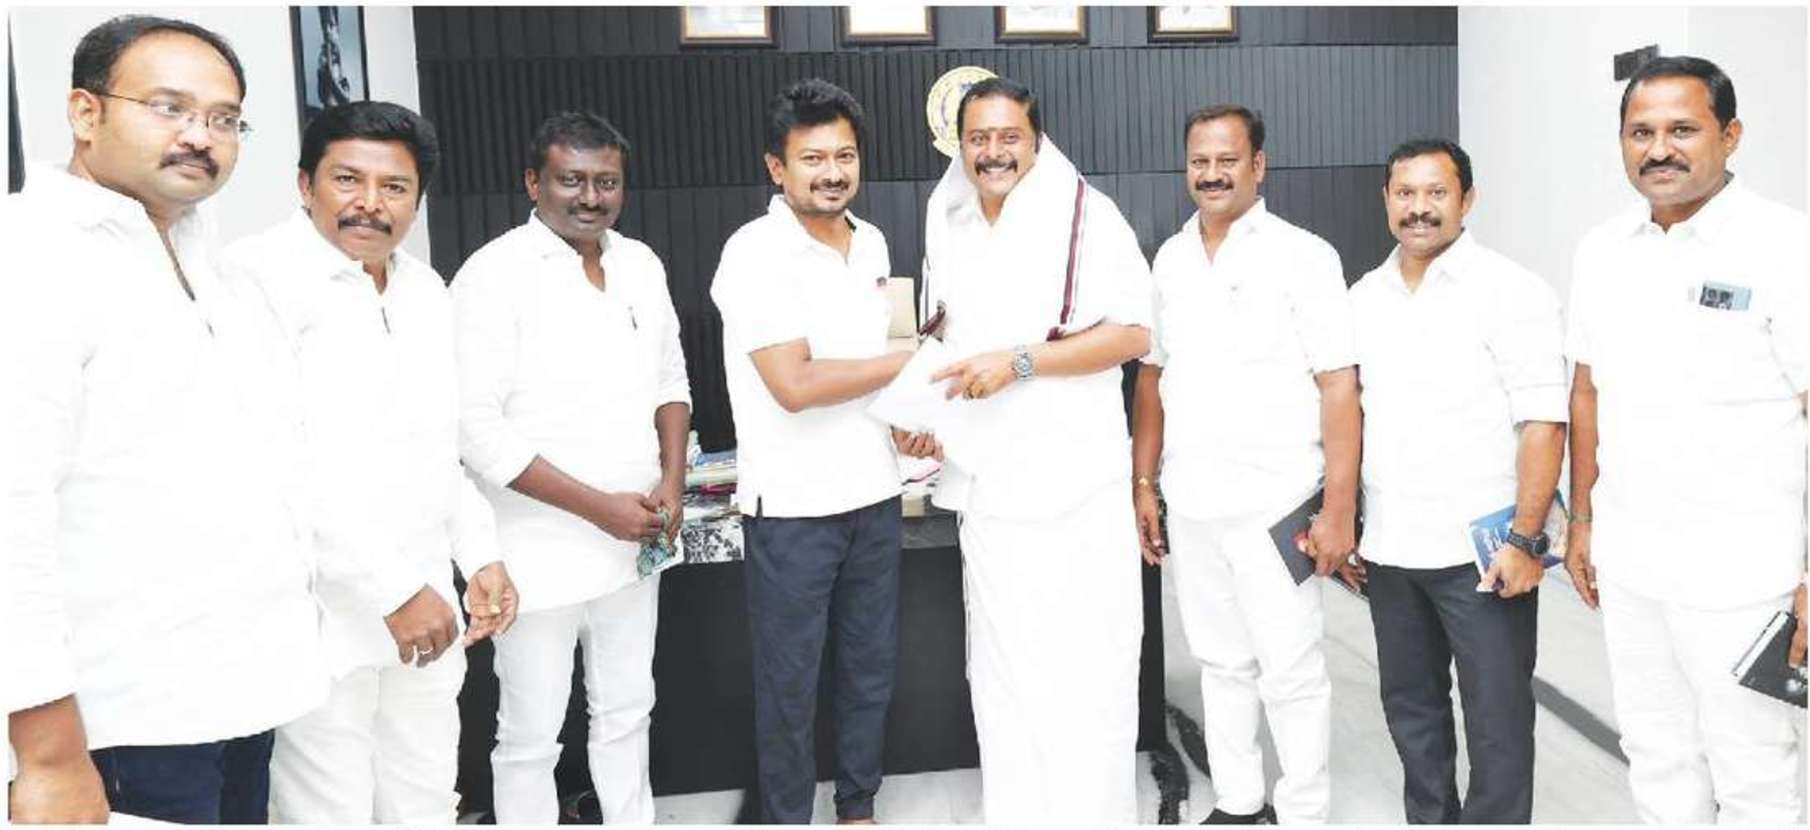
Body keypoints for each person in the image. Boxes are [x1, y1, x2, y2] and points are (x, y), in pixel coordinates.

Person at [2, 15, 325, 824]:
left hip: (236, 695)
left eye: (224, 118)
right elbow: (10, 512)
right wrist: (47, 751)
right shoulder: (32, 259)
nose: (199, 136)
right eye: (169, 107)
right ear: (85, 113)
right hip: (118, 722)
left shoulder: (209, 260)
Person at [217, 100, 519, 823]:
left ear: (417, 199)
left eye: (394, 187)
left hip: (426, 608)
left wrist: (480, 554)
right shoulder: (255, 278)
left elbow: (436, 446)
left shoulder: (423, 288)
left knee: (426, 801)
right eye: (347, 179)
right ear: (305, 184)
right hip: (319, 613)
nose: (370, 204)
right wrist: (393, 588)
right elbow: (277, 467)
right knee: (330, 812)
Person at [1565, 55, 1807, 824]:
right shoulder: (1603, 249)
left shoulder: (1784, 245)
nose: (1659, 149)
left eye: (1682, 129)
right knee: (1657, 754)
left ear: (1730, 136)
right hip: (1632, 562)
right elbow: (1586, 389)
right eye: (1640, 132)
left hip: (1744, 573)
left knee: (1753, 771)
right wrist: (1582, 518)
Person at [914, 76, 1151, 822]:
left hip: (1074, 488)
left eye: (1008, 136)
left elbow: (1133, 333)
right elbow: (942, 338)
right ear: (960, 145)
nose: (993, 152)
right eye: (978, 138)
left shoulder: (1088, 214)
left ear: (1037, 140)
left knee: (1085, 668)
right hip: (989, 491)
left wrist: (1019, 363)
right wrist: (924, 415)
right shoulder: (947, 216)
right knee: (1003, 671)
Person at [452, 111, 691, 824]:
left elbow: (671, 380)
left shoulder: (639, 264)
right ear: (534, 182)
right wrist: (598, 508)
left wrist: (671, 483)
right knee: (531, 735)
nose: (591, 197)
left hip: (635, 542)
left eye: (606, 182)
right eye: (572, 180)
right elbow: (475, 429)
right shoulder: (493, 275)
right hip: (536, 553)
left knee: (628, 709)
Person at [1130, 104, 1357, 825]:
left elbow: (1339, 385)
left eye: (1227, 160)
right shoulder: (1170, 259)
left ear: (1258, 165)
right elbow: (1152, 378)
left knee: (1291, 668)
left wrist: (1339, 507)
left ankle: (1305, 811)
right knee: (1220, 662)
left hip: (1276, 502)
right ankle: (1237, 802)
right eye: (1199, 161)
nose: (1212, 174)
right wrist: (1145, 482)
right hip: (1194, 500)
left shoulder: (1304, 255)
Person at [1348, 139, 1566, 824]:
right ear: (1387, 200)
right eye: (1405, 193)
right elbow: (1351, 417)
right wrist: (1347, 521)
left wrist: (1525, 541)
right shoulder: (1363, 298)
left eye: (1436, 192)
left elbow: (1544, 422)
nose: (1419, 208)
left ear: (1467, 200)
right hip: (1391, 547)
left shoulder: (1512, 291)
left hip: (1483, 552)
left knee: (1497, 716)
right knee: (1410, 709)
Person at [709, 78, 908, 826]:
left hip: (875, 493)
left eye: (845, 156)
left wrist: (906, 415)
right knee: (789, 686)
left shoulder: (872, 241)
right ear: (777, 167)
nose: (832, 172)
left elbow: (865, 367)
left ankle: (858, 807)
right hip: (792, 509)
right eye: (813, 158)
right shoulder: (753, 254)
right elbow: (793, 384)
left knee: (870, 669)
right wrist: (908, 363)